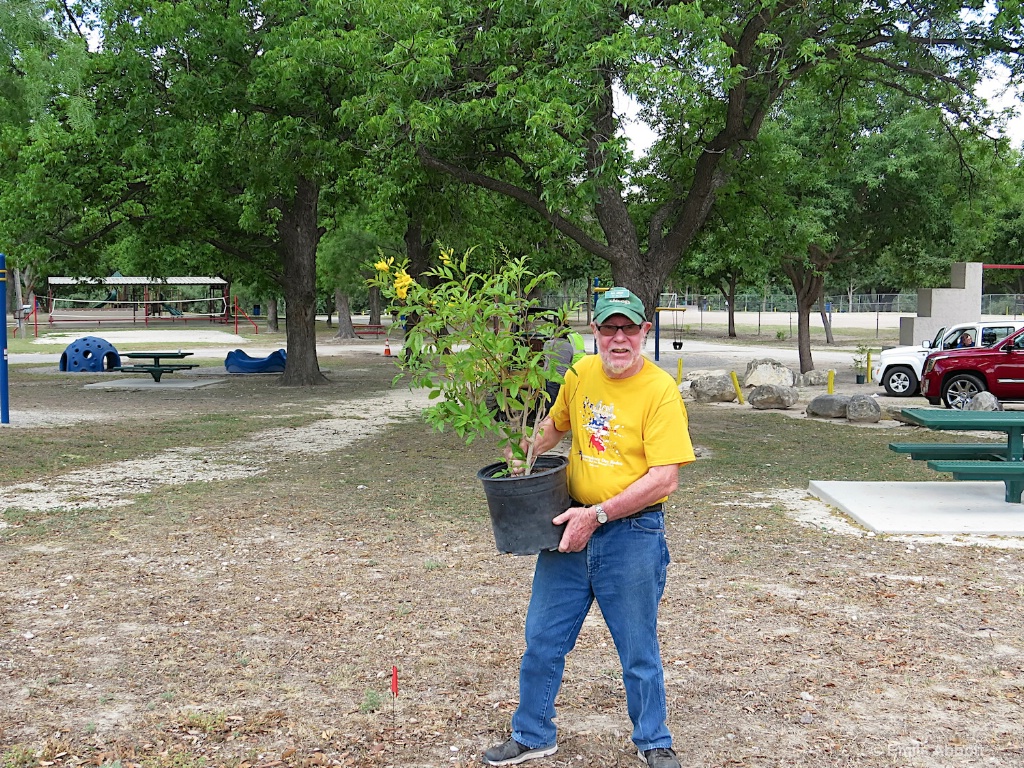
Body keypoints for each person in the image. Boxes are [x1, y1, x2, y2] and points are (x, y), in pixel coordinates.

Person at [483, 287, 696, 768]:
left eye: (628, 328)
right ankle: (533, 733)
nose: (618, 338)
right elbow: (554, 426)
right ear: (594, 332)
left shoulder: (660, 390)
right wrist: (522, 452)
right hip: (567, 527)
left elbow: (665, 477)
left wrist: (597, 516)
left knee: (637, 647)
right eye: (608, 328)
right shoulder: (579, 374)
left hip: (631, 535)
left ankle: (654, 742)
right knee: (542, 638)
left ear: (645, 331)